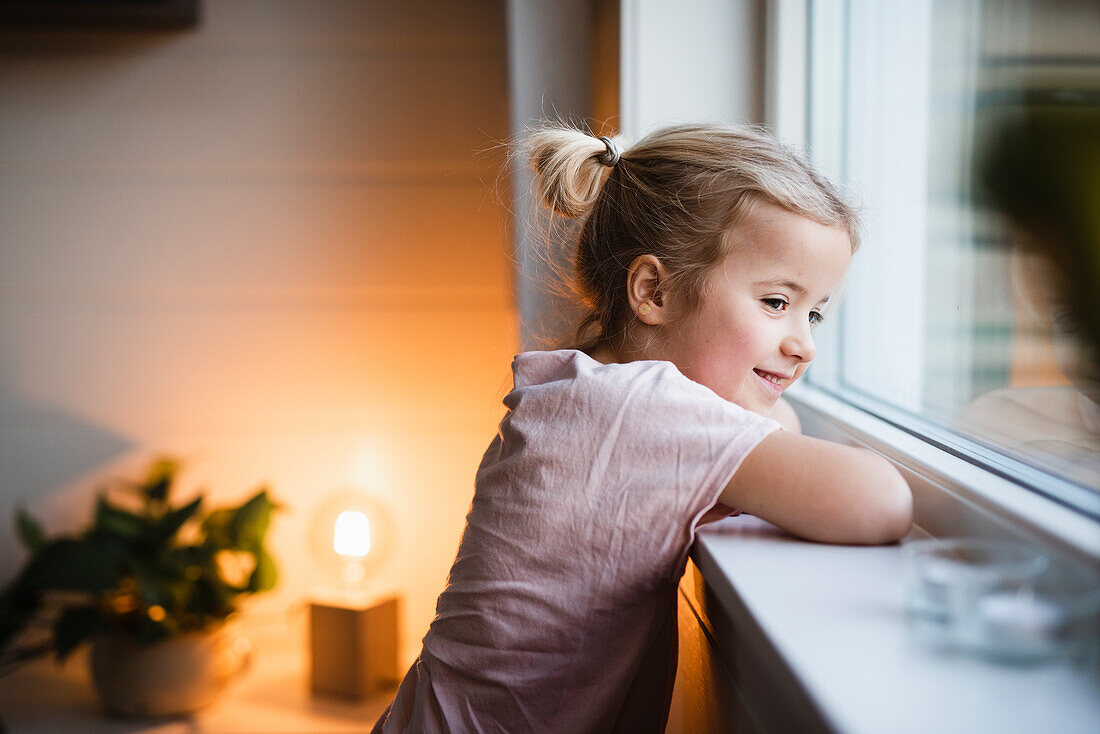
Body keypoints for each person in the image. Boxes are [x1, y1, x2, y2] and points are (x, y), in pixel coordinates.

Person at [372, 123, 912, 733]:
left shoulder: (585, 392)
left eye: (814, 313)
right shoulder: (641, 409)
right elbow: (881, 502)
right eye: (776, 303)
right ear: (653, 290)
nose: (804, 345)